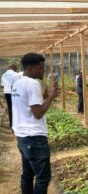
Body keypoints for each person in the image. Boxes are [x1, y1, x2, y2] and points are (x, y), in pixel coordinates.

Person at [11, 53, 59, 194]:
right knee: (43, 178)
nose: (43, 70)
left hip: (22, 136)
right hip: (34, 138)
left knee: (28, 174)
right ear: (30, 68)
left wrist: (45, 95)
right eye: (41, 67)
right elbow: (38, 113)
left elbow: (26, 104)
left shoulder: (18, 82)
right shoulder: (32, 84)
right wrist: (50, 97)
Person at [1, 64, 18, 128]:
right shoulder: (16, 74)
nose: (16, 69)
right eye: (16, 68)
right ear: (14, 68)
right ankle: (16, 123)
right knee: (16, 108)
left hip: (6, 93)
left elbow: (2, 85)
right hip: (14, 92)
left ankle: (11, 124)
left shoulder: (4, 75)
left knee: (10, 108)